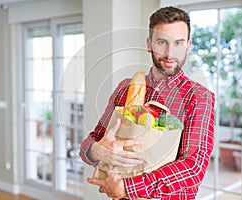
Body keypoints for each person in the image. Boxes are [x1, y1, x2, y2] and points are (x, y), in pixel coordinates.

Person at [79, 6, 215, 200]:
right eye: (162, 42)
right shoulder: (125, 88)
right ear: (149, 44)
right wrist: (96, 150)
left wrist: (128, 188)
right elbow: (91, 143)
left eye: (178, 43)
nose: (170, 53)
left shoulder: (198, 97)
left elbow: (193, 168)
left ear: (188, 45)